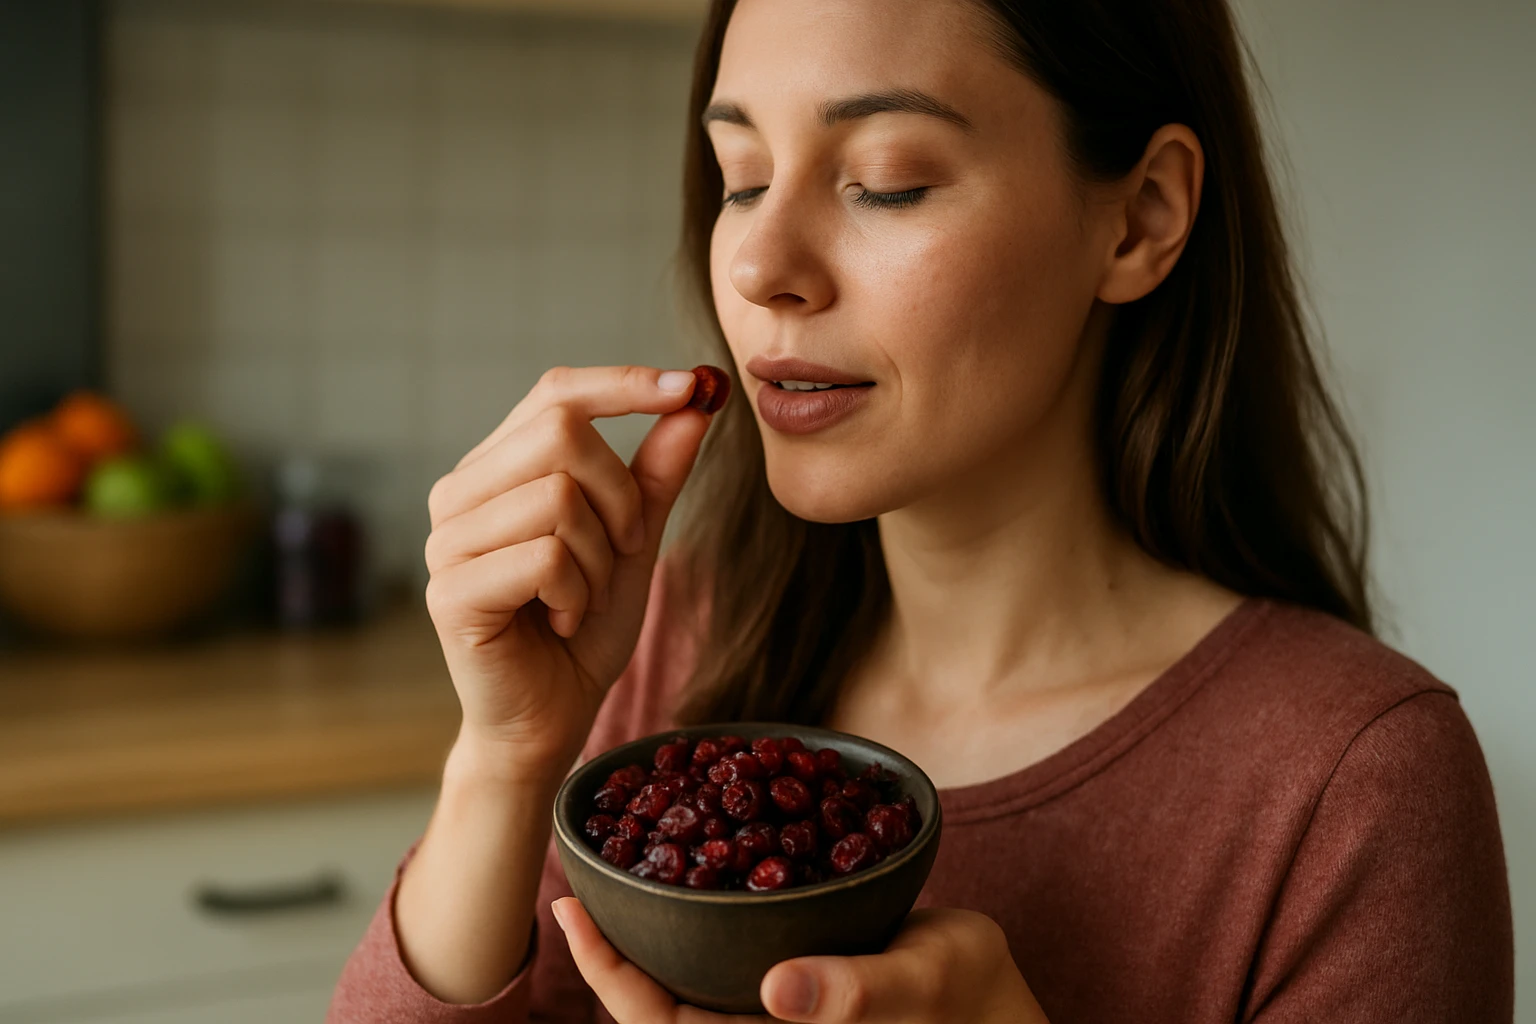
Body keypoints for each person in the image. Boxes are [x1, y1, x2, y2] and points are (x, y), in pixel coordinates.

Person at [328, 0, 1514, 1020]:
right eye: (741, 179)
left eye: (885, 182)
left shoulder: (1357, 786)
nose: (757, 267)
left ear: (1143, 216)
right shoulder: (670, 644)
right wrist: (504, 757)